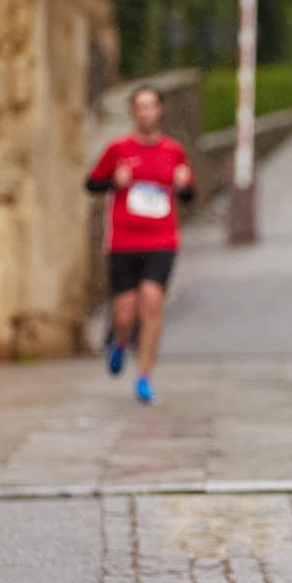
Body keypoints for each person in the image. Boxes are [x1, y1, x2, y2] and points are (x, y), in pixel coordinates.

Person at [86, 85, 194, 404]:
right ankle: (120, 341)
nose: (146, 113)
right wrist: (113, 181)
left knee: (152, 302)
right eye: (140, 107)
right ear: (134, 112)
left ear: (160, 110)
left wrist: (183, 185)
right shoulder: (118, 149)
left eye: (151, 106)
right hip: (123, 241)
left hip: (162, 239)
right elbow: (91, 183)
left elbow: (189, 195)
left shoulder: (174, 151)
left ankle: (145, 376)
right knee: (125, 313)